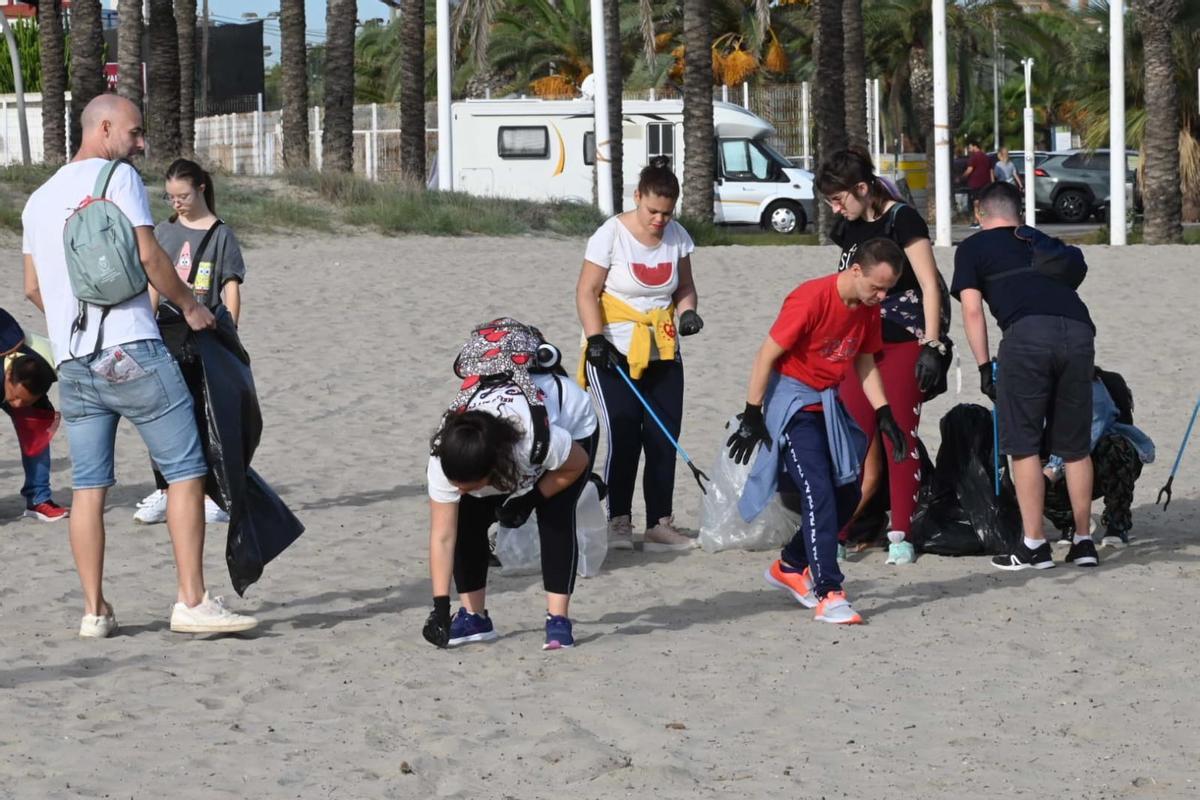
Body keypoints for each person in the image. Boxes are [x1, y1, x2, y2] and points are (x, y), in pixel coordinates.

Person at [21, 94, 257, 637]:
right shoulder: (116, 177)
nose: (140, 142)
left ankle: (93, 610)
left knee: (88, 487)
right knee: (186, 470)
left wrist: (70, 324)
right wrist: (194, 307)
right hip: (132, 349)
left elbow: (33, 287)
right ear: (104, 128)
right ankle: (191, 601)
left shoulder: (36, 200)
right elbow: (151, 257)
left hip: (75, 362)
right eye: (134, 131)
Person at [726, 238, 909, 625]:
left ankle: (791, 565)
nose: (881, 296)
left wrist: (885, 413)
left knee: (848, 492)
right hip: (792, 403)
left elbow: (863, 361)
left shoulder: (867, 308)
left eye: (888, 289)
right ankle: (829, 592)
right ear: (855, 270)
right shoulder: (811, 298)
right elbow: (766, 355)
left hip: (828, 402)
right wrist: (752, 414)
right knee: (817, 490)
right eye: (877, 286)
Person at [423, 321, 598, 650]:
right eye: (456, 485)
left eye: (468, 485)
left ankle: (558, 620)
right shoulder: (442, 458)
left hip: (573, 427)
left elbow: (577, 463)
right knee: (467, 520)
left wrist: (530, 498)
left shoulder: (533, 442)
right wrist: (439, 608)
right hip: (498, 452)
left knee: (554, 515)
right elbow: (443, 536)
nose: (458, 491)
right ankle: (474, 617)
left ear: (494, 471)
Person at [950, 181, 1097, 571]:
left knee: (1024, 443)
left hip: (1027, 335)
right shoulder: (1041, 240)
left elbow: (971, 311)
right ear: (1019, 212)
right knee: (1075, 445)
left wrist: (984, 366)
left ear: (980, 211)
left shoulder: (973, 247)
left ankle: (1034, 544)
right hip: (1080, 331)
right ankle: (1083, 541)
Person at [817, 147, 948, 565]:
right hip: (857, 346)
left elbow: (929, 284)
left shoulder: (902, 219)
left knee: (899, 436)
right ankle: (843, 528)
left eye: (840, 199)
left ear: (862, 188)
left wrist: (932, 344)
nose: (836, 208)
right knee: (852, 439)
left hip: (903, 341)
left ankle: (900, 533)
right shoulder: (848, 225)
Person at [575, 157, 702, 552]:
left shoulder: (677, 236)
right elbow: (585, 291)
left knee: (663, 437)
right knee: (625, 433)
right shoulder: (610, 234)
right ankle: (618, 522)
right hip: (612, 350)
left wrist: (689, 312)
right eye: (652, 211)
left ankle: (659, 524)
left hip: (662, 346)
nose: (660, 220)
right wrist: (596, 339)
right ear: (637, 198)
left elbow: (684, 287)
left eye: (667, 212)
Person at [133, 158, 247, 526]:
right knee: (161, 412)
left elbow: (230, 288)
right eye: (169, 197)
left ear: (200, 188)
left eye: (182, 195)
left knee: (204, 413)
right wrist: (147, 327)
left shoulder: (221, 234)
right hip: (165, 329)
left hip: (206, 331)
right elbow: (153, 283)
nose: (176, 203)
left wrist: (230, 337)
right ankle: (165, 491)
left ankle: (213, 494)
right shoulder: (163, 233)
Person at [1044, 368, 1154, 548]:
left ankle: (1117, 522)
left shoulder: (1104, 383)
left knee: (1116, 447)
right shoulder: (1034, 387)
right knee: (1032, 474)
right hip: (1057, 462)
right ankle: (1070, 522)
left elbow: (1095, 430)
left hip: (1101, 460)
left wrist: (1054, 468)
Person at [2, 336, 70, 522]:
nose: (17, 405)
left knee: (37, 430)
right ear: (8, 376)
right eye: (16, 396)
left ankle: (39, 499)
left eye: (24, 400)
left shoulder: (50, 362)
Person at [961, 140, 993, 228]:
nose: (969, 149)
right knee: (982, 202)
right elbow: (991, 171)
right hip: (986, 183)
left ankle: (977, 221)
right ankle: (982, 220)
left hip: (976, 183)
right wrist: (992, 182)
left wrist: (962, 177)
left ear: (975, 146)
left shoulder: (974, 157)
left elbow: (969, 169)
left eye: (970, 147)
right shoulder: (986, 157)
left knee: (976, 202)